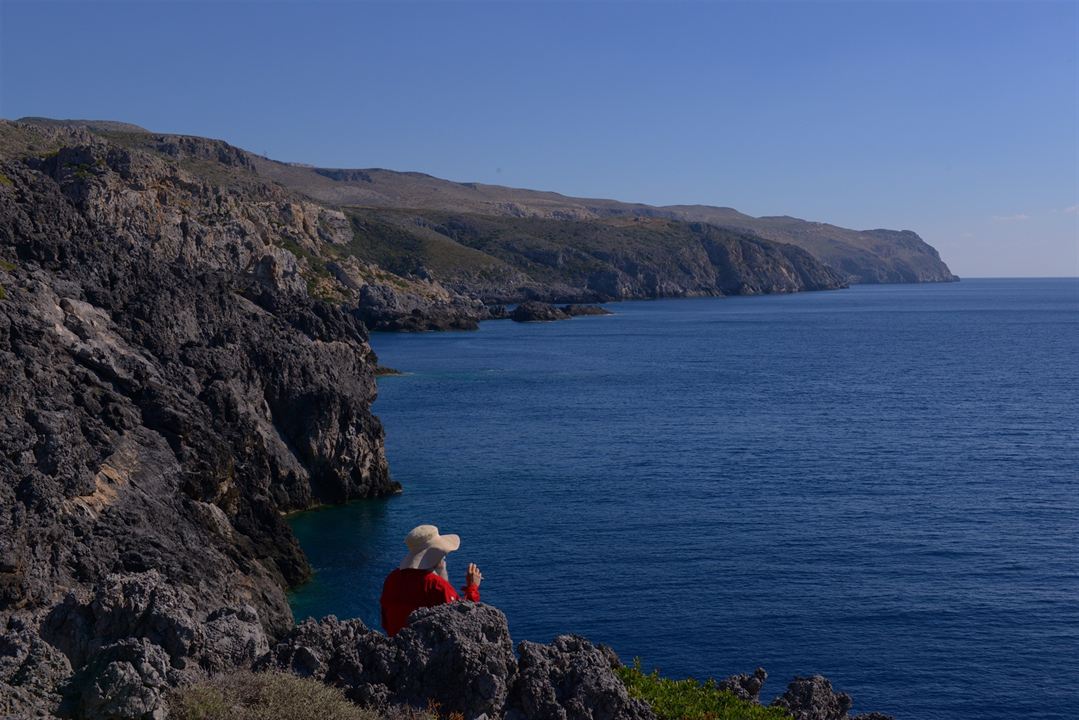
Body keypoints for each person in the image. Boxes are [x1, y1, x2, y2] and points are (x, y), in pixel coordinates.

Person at [380, 524, 483, 636]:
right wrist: (472, 588)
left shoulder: (392, 578)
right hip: (429, 649)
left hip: (396, 644)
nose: (444, 556)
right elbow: (462, 621)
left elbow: (385, 621)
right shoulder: (436, 585)